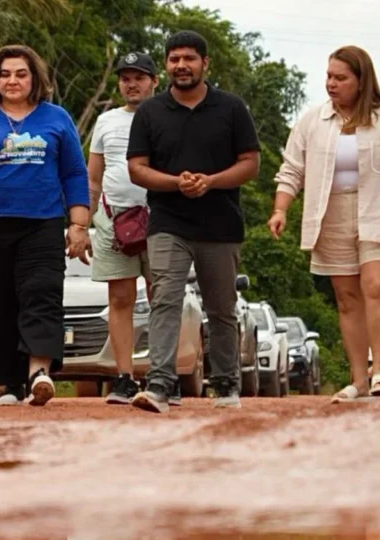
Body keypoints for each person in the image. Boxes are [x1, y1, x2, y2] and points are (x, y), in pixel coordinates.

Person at [267, 45, 380, 403]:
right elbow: (291, 170)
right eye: (329, 76)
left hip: (379, 208)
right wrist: (280, 209)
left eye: (340, 78)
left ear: (361, 81)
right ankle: (358, 379)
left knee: (376, 286)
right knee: (346, 298)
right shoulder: (312, 121)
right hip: (330, 213)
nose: (331, 83)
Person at [0, 44, 90, 406]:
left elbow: (74, 173)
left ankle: (38, 373)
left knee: (42, 293)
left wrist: (78, 224)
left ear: (35, 78)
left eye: (21, 74)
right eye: (5, 74)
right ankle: (6, 382)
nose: (13, 81)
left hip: (43, 223)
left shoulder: (57, 118)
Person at [127, 31, 260, 413]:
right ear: (166, 65)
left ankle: (226, 384)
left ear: (205, 63)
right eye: (174, 59)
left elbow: (251, 164)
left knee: (221, 308)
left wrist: (211, 182)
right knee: (165, 299)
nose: (181, 66)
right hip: (168, 222)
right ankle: (159, 384)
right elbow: (137, 168)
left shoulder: (232, 108)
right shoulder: (150, 112)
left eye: (189, 58)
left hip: (221, 225)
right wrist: (176, 183)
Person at [87, 52, 158, 405]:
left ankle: (162, 376)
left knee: (163, 298)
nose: (132, 85)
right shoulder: (106, 120)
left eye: (139, 78)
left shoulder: (167, 115)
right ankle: (124, 376)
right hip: (115, 219)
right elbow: (93, 178)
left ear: (154, 82)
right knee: (120, 298)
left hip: (160, 217)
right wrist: (81, 223)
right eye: (125, 78)